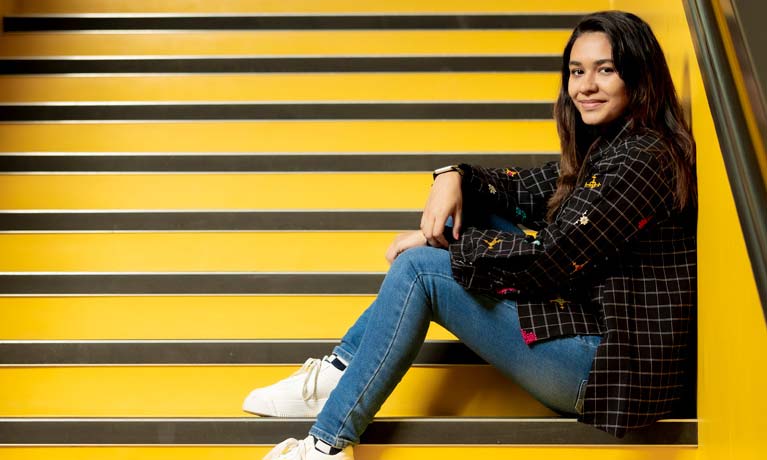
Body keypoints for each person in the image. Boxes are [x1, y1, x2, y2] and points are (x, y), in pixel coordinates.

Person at [246, 10, 697, 459]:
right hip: (591, 347)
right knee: (466, 206)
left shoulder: (641, 159)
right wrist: (453, 175)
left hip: (607, 372)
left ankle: (327, 442)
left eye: (606, 70)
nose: (585, 86)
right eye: (577, 71)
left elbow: (550, 260)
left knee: (420, 272)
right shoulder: (613, 146)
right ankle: (340, 371)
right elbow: (522, 189)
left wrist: (441, 244)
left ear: (639, 75)